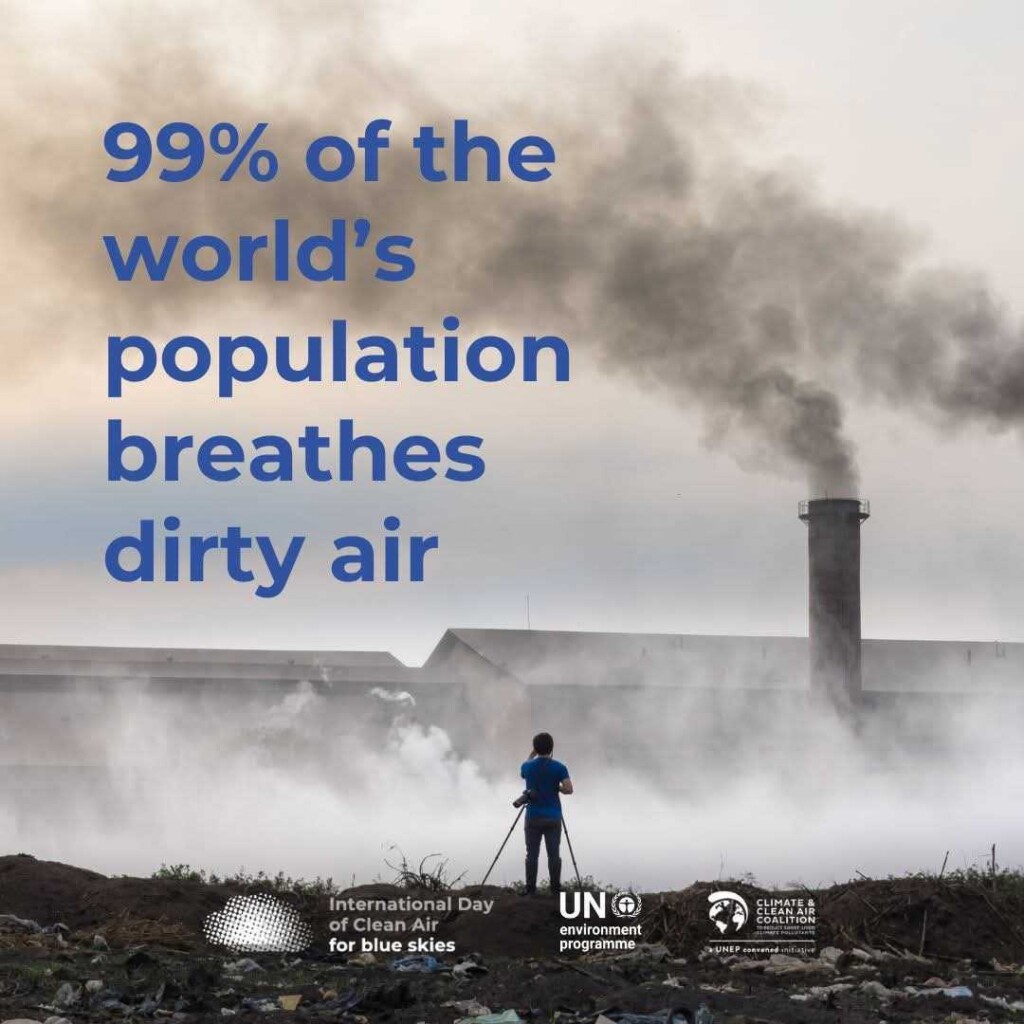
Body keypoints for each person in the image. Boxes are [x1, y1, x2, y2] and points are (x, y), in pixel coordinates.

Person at [520, 731, 573, 895]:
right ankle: (555, 889)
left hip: (533, 816)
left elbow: (523, 771)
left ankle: (530, 890)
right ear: (551, 748)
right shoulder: (560, 767)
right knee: (554, 855)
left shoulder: (527, 767)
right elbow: (569, 789)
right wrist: (557, 788)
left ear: (535, 748)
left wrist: (532, 754)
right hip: (553, 816)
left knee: (531, 855)